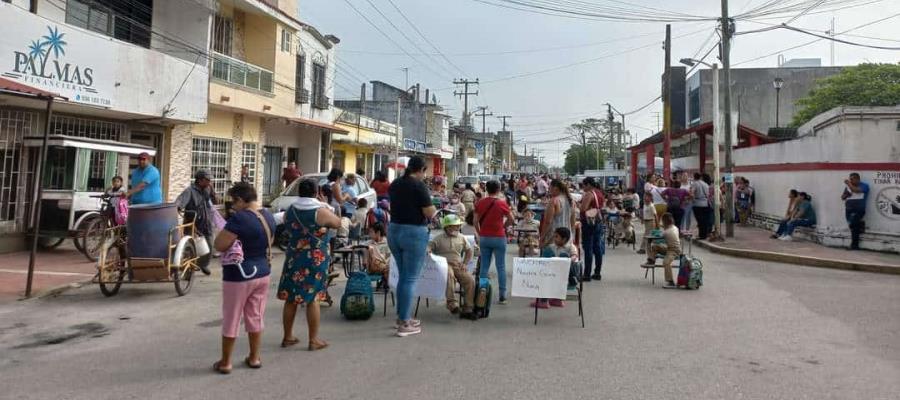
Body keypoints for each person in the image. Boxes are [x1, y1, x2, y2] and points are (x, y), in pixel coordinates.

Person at [211, 182, 276, 374]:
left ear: (240, 199)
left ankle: (226, 362)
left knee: (232, 317)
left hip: (239, 275)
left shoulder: (240, 219)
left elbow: (220, 244)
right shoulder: (268, 216)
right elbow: (269, 241)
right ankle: (254, 358)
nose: (232, 206)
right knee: (255, 316)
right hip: (263, 272)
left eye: (233, 202)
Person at [277, 178, 341, 351]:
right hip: (315, 259)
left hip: (293, 257)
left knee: (291, 298)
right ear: (316, 192)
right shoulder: (320, 211)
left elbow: (285, 223)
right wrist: (325, 203)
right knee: (313, 298)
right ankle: (313, 340)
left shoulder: (291, 210)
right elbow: (338, 223)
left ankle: (287, 336)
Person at [387, 156, 436, 337]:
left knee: (403, 276)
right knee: (410, 278)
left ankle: (402, 317)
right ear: (421, 169)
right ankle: (405, 323)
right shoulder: (419, 186)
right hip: (413, 232)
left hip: (394, 230)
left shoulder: (396, 184)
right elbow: (429, 212)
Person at [474, 180, 516, 305]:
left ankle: (482, 292)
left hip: (485, 238)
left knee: (484, 265)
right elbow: (512, 219)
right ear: (498, 190)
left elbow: (475, 221)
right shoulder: (501, 203)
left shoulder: (480, 203)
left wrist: (480, 232)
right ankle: (502, 296)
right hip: (499, 237)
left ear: (486, 189)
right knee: (501, 266)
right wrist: (503, 226)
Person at [428, 214, 477, 320]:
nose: (455, 228)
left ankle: (468, 307)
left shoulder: (462, 237)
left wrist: (465, 263)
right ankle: (452, 304)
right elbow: (429, 247)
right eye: (452, 226)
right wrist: (428, 250)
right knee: (449, 275)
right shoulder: (438, 238)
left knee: (470, 280)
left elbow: (469, 251)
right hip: (443, 265)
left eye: (457, 226)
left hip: (458, 265)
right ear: (446, 227)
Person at [175, 170, 218, 275]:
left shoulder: (207, 189)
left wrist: (213, 192)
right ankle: (187, 271)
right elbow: (179, 202)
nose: (209, 182)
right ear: (199, 180)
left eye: (210, 180)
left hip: (206, 223)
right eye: (207, 180)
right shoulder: (189, 191)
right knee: (190, 249)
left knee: (210, 246)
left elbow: (216, 201)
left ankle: (203, 264)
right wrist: (177, 207)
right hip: (193, 224)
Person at [531, 227, 579, 309]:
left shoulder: (571, 247)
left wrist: (566, 261)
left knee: (563, 258)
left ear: (564, 239)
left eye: (556, 237)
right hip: (553, 273)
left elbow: (574, 256)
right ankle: (556, 300)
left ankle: (544, 301)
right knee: (545, 271)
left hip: (567, 275)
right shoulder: (551, 247)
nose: (554, 239)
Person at [578, 177, 605, 281]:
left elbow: (583, 209)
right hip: (598, 221)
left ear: (588, 185)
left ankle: (587, 274)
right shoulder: (599, 192)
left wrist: (579, 204)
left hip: (589, 222)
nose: (583, 187)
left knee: (588, 247)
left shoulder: (589, 194)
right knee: (597, 247)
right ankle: (597, 272)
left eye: (584, 185)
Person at [646, 213, 681, 289]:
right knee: (656, 247)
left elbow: (659, 234)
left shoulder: (667, 232)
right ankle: (651, 259)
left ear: (665, 222)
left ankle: (670, 281)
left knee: (666, 262)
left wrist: (650, 241)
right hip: (670, 248)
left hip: (674, 250)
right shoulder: (675, 227)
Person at [841, 172, 869, 250]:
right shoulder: (848, 187)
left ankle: (854, 245)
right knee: (852, 226)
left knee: (853, 224)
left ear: (858, 179)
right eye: (850, 179)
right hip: (849, 209)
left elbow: (856, 190)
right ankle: (855, 244)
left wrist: (849, 184)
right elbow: (842, 197)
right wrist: (846, 194)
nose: (851, 180)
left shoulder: (864, 186)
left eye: (852, 179)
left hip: (859, 209)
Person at [364, 222, 390, 288]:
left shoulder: (387, 243)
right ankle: (386, 283)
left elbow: (388, 257)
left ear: (378, 233)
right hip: (373, 265)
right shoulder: (369, 243)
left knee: (389, 267)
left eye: (371, 232)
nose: (369, 234)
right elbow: (358, 246)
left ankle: (386, 282)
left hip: (383, 265)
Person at [690, 172, 711, 240]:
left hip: (697, 204)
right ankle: (704, 234)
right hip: (705, 203)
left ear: (694, 177)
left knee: (699, 220)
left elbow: (692, 193)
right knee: (704, 220)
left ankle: (701, 235)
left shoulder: (694, 184)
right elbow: (708, 194)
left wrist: (693, 200)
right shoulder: (705, 184)